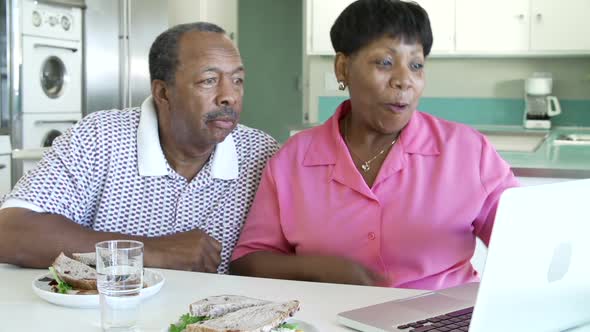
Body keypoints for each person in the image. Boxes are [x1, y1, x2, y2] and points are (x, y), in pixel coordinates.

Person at [230, 0, 519, 290]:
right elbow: (249, 261)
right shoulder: (293, 159)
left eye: (416, 65)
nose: (404, 80)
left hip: (443, 319)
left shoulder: (468, 152)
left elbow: (529, 245)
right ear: (343, 68)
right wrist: (318, 269)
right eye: (385, 63)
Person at [0, 22, 279, 274]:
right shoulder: (100, 137)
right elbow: (10, 232)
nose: (229, 96)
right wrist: (148, 251)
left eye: (237, 80)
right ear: (163, 92)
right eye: (208, 80)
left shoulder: (261, 154)